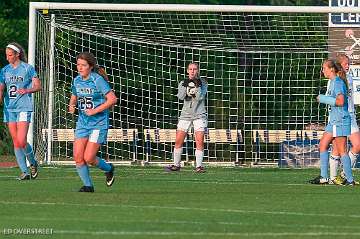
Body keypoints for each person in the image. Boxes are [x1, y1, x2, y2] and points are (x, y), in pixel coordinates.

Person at [69, 52, 117, 192]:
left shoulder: (97, 80)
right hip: (83, 123)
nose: (80, 68)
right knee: (78, 157)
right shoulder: (77, 80)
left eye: (83, 65)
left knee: (89, 157)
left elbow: (112, 99)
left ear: (90, 66)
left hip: (98, 124)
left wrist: (94, 111)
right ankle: (88, 186)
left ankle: (109, 169)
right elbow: (74, 95)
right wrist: (72, 105)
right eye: (78, 64)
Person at [309, 59, 354, 185]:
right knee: (322, 145)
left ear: (331, 69)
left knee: (342, 150)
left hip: (340, 120)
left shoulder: (338, 83)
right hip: (333, 120)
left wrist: (324, 99)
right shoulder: (333, 82)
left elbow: (340, 102)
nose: (322, 71)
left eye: (324, 68)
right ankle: (324, 177)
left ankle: (350, 180)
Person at [0, 42, 41, 180]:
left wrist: (27, 90)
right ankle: (24, 172)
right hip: (9, 109)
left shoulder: (28, 68)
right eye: (6, 55)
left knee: (21, 140)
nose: (7, 58)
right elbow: (1, 88)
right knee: (16, 141)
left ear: (17, 54)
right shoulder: (4, 70)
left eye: (10, 55)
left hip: (24, 107)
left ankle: (33, 163)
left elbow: (37, 85)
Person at [165, 62, 208, 173]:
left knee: (199, 141)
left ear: (198, 71)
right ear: (187, 71)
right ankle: (176, 165)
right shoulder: (183, 82)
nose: (192, 71)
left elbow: (200, 97)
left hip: (199, 115)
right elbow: (180, 97)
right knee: (178, 140)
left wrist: (196, 86)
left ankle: (199, 166)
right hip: (185, 115)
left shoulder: (203, 82)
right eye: (190, 69)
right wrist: (186, 86)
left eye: (195, 69)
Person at [329, 54, 360, 185]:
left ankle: (344, 174)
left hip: (350, 116)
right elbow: (330, 99)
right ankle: (332, 178)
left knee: (357, 145)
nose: (348, 66)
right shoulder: (333, 80)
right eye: (346, 64)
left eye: (349, 64)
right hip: (339, 117)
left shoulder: (350, 78)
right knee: (337, 148)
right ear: (339, 65)